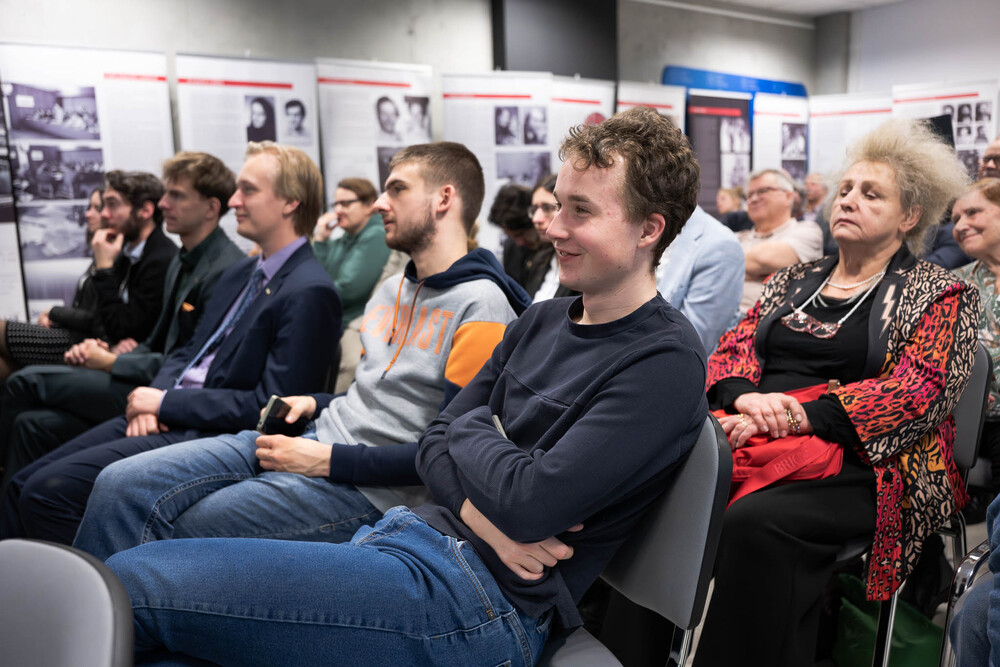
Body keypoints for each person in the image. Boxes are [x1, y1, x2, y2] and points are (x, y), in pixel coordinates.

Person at [89, 105, 708, 667]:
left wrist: (469, 430)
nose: (554, 227)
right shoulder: (543, 320)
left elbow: (528, 502)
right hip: (411, 540)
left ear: (649, 229)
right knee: (163, 632)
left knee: (134, 585)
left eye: (582, 211)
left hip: (480, 603)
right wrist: (480, 481)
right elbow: (435, 440)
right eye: (559, 205)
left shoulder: (664, 360)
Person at [76, 140, 531, 563]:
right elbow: (375, 396)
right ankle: (95, 616)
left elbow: (450, 454)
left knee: (181, 526)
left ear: (444, 199)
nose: (379, 203)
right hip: (314, 437)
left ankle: (119, 616)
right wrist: (319, 402)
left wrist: (329, 461)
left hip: (372, 489)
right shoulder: (392, 289)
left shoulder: (482, 307)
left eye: (396, 189)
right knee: (120, 483)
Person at [692, 118, 976, 667]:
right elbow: (731, 348)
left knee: (754, 525)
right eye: (845, 189)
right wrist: (745, 397)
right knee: (662, 485)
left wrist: (798, 417)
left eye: (871, 194)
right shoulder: (792, 279)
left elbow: (921, 392)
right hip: (754, 433)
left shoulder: (941, 292)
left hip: (873, 462)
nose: (848, 200)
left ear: (909, 217)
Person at [0, 142, 342, 545]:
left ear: (290, 202)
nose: (234, 201)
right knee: (24, 484)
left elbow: (272, 409)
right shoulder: (243, 273)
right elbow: (187, 351)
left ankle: (103, 585)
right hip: (176, 414)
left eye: (248, 190)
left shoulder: (310, 290)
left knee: (46, 493)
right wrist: (154, 398)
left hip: (212, 433)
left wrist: (165, 404)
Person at [0, 152, 244, 485]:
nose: (163, 204)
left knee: (22, 381)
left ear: (211, 208)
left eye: (176, 195)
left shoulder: (222, 269)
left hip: (163, 391)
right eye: (166, 194)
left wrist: (116, 364)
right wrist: (115, 356)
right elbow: (155, 341)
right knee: (31, 424)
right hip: (145, 376)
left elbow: (189, 364)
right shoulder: (183, 260)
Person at [0, 171, 176, 381]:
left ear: (145, 210)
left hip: (107, 349)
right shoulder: (125, 251)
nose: (104, 214)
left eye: (112, 205)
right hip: (94, 340)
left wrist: (104, 269)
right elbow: (100, 316)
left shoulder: (160, 259)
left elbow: (122, 329)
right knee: (10, 368)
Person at [737, 168, 824, 314]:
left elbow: (765, 259)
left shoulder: (807, 231)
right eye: (749, 195)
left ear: (788, 196)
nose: (753, 199)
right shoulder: (737, 237)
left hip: (769, 322)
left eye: (762, 191)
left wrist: (730, 270)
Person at [312, 178, 391, 323]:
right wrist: (320, 240)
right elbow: (315, 275)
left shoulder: (377, 235)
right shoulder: (343, 239)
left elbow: (347, 290)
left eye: (345, 204)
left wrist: (310, 293)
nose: (338, 210)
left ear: (369, 205)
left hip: (354, 325)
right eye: (335, 204)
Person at [489, 183, 553, 297]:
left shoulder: (558, 251)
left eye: (521, 234)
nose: (519, 243)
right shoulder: (511, 248)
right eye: (512, 237)